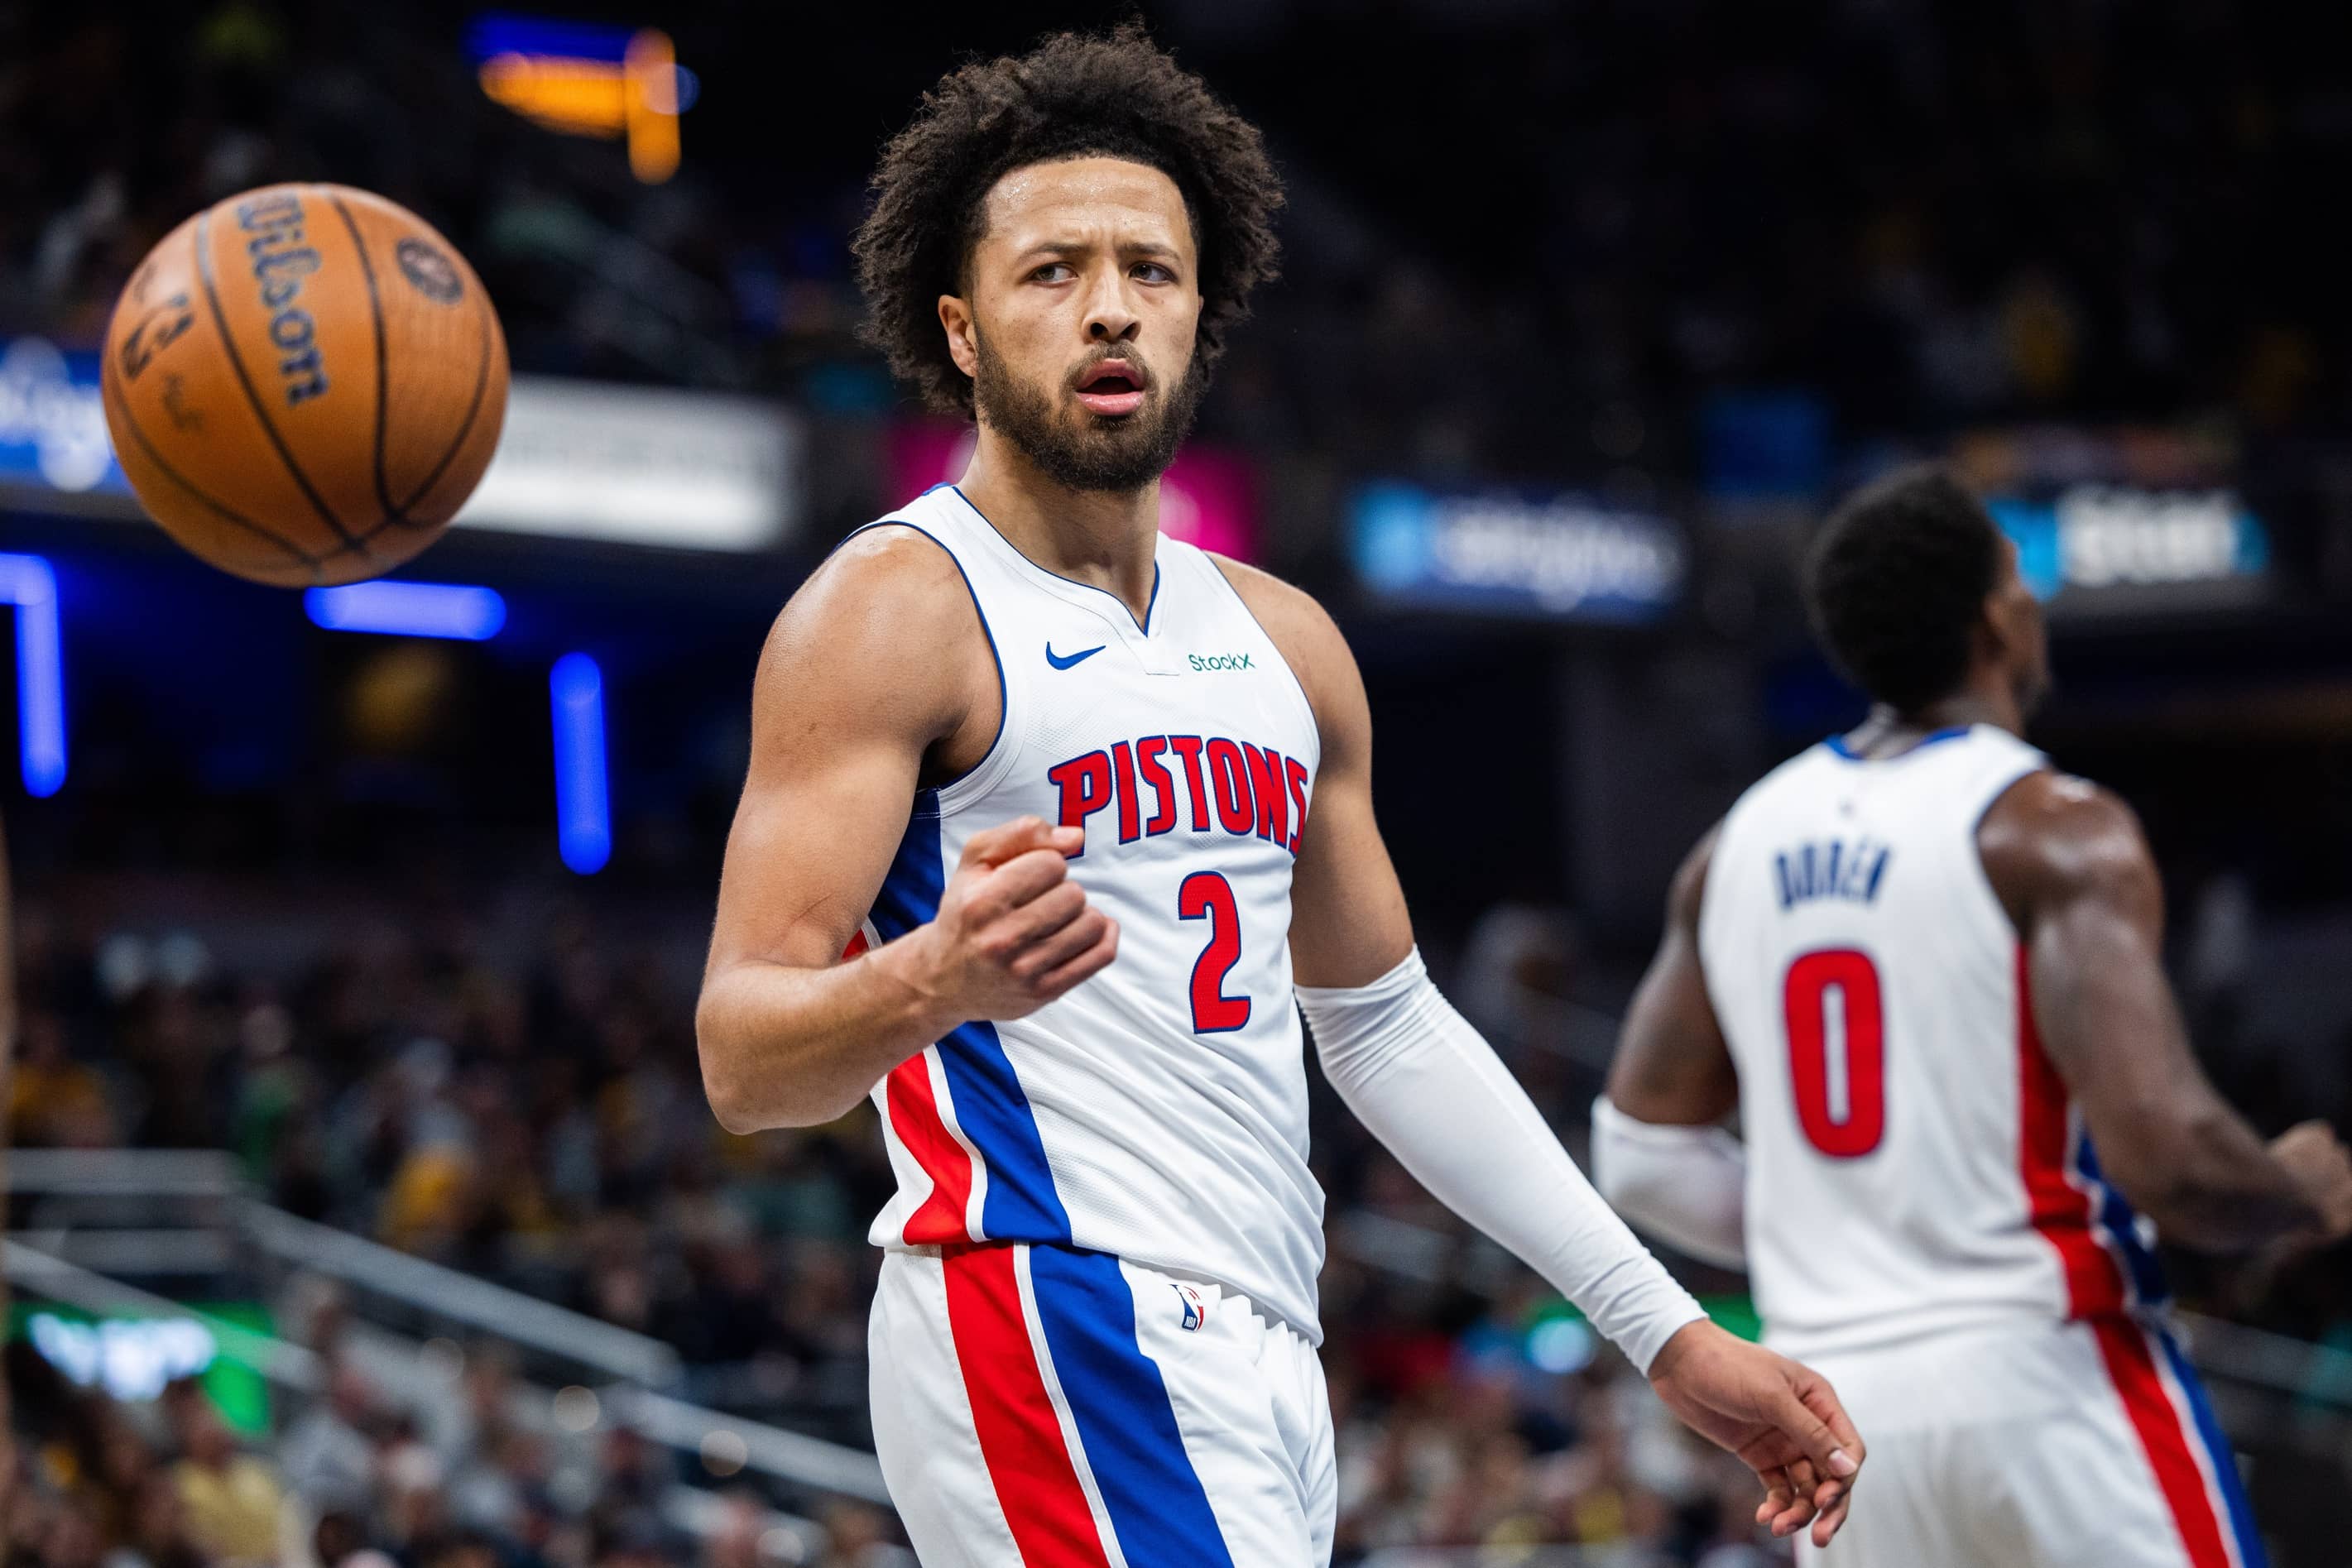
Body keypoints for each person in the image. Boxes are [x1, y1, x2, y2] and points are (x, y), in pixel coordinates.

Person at [697, 26, 1863, 1566]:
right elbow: (739, 1056)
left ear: (1201, 312)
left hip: (1258, 1340)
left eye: (1151, 270)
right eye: (1052, 272)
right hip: (1050, 1310)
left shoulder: (1285, 644)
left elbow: (1382, 1026)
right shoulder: (894, 614)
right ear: (963, 330)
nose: (1110, 304)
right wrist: (929, 979)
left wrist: (1662, 1331)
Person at [1596, 467, 2352, 1567]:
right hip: (2042, 1373)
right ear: (1997, 617)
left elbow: (1639, 1160)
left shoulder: (1733, 848)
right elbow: (2173, 1160)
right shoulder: (2052, 827)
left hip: (1836, 1408)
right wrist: (2297, 1191)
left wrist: (1837, 1230)